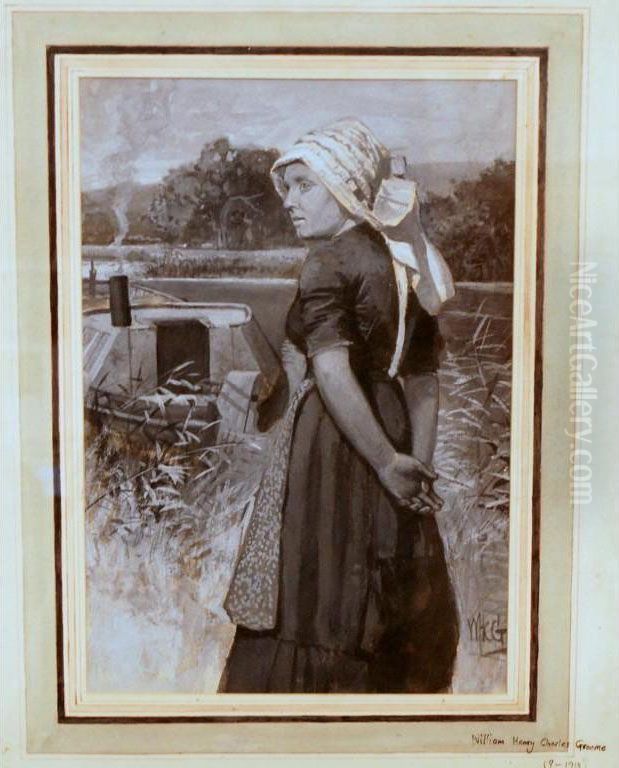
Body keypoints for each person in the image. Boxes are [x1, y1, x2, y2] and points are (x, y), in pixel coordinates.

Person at [220, 119, 459, 694]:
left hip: (335, 439)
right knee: (386, 586)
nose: (290, 202)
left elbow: (330, 371)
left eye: (305, 186)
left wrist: (385, 464)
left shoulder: (328, 261)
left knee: (320, 592)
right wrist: (413, 466)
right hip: (393, 428)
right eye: (287, 189)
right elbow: (423, 381)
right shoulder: (405, 262)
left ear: (347, 188)